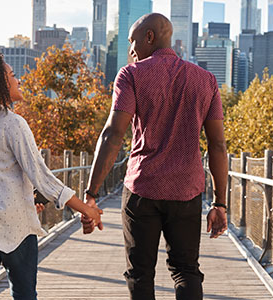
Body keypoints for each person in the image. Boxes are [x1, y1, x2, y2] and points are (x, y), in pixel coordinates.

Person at [82, 13, 229, 300]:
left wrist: (91, 193)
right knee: (186, 271)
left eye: (132, 41)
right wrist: (220, 204)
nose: (131, 50)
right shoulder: (206, 80)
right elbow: (218, 146)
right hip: (187, 192)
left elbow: (113, 135)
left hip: (142, 190)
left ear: (149, 37)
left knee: (140, 273)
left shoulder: (131, 75)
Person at [0, 43, 104, 300]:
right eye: (11, 75)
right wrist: (87, 209)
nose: (18, 80)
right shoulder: (12, 124)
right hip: (15, 229)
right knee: (25, 296)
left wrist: (27, 199)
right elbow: (42, 177)